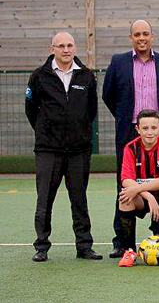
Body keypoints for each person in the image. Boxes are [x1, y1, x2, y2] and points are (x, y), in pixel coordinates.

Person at [103, 19, 159, 258]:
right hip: (128, 131)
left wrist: (155, 127)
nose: (142, 37)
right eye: (137, 34)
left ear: (152, 36)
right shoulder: (118, 62)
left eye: (146, 33)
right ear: (131, 37)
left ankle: (158, 236)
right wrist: (128, 120)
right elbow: (108, 95)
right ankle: (123, 243)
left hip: (158, 132)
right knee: (124, 187)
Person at [26, 31, 101, 262]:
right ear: (52, 49)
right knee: (44, 199)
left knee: (79, 198)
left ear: (75, 48)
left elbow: (91, 111)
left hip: (79, 150)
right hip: (48, 150)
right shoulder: (39, 76)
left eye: (69, 45)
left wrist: (78, 132)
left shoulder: (86, 76)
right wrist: (46, 131)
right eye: (60, 46)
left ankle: (84, 246)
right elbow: (31, 110)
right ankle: (41, 246)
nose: (65, 50)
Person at [116, 110, 159, 267]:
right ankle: (129, 251)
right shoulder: (130, 148)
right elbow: (126, 180)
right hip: (145, 199)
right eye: (145, 128)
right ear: (138, 129)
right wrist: (148, 196)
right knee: (125, 198)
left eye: (153, 127)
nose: (150, 132)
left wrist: (139, 189)